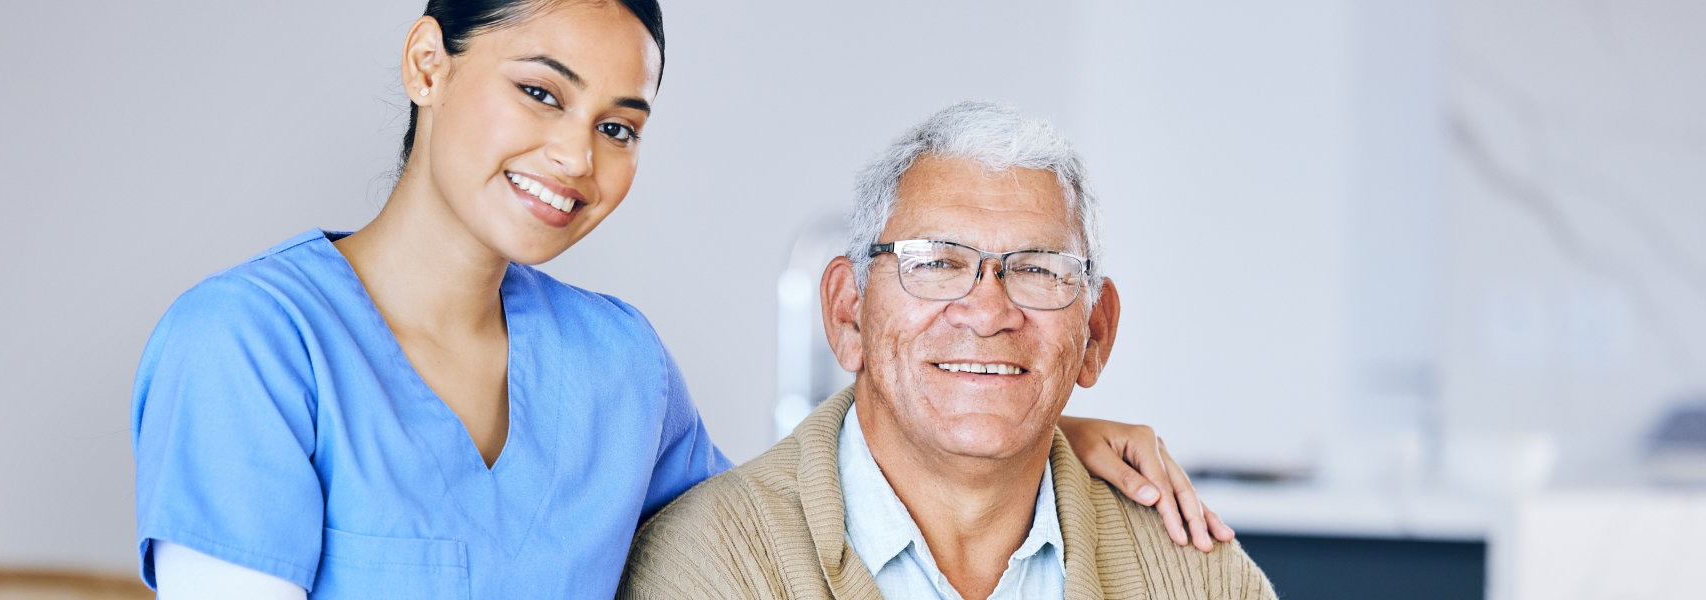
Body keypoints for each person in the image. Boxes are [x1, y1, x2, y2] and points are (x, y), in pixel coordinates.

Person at [131, 2, 1228, 598]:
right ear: (429, 63)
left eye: (618, 124)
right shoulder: (249, 345)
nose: (574, 154)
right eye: (538, 91)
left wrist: (1028, 423)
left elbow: (791, 526)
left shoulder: (616, 364)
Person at [619, 102, 1276, 600]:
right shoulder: (715, 564)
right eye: (935, 263)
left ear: (1094, 334)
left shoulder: (1198, 574)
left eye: (1039, 270)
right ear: (848, 313)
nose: (989, 313)